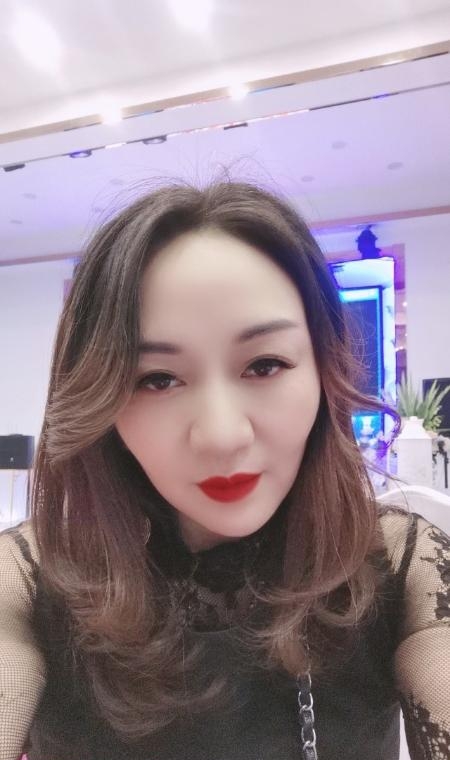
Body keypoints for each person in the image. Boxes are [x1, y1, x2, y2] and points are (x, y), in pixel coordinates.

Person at [0, 180, 449, 760]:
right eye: (157, 379)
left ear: (324, 369)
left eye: (264, 365)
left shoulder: (401, 565)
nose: (221, 435)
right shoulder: (33, 579)